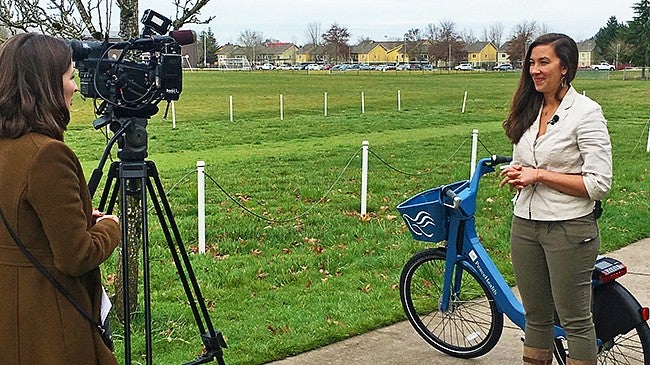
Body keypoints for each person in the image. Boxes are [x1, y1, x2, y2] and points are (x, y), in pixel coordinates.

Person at [0, 33, 121, 364]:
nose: (76, 87)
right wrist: (111, 226)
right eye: (69, 76)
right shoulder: (48, 156)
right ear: (47, 86)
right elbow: (76, 256)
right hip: (51, 331)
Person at [499, 33, 612, 365]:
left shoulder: (586, 112)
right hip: (526, 226)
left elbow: (599, 184)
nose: (535, 70)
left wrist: (540, 175)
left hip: (569, 230)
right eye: (531, 63)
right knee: (535, 317)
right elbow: (530, 157)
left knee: (575, 322)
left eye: (543, 62)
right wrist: (518, 170)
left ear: (566, 67)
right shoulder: (530, 108)